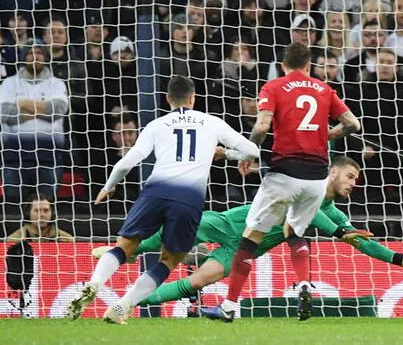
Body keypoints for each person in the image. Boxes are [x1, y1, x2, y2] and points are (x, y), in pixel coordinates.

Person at [91, 156, 403, 310]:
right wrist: (339, 232)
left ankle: (128, 303)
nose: (353, 184)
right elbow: (324, 220)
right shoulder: (310, 188)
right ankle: (124, 250)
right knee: (177, 235)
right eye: (350, 177)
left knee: (199, 281)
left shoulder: (334, 211)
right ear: (333, 173)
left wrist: (399, 258)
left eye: (356, 181)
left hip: (244, 250)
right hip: (234, 223)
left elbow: (355, 239)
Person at [65, 76, 259, 324]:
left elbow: (126, 162)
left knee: (124, 246)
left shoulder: (157, 124)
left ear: (167, 99)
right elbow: (253, 151)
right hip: (189, 199)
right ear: (193, 98)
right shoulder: (211, 122)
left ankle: (94, 283)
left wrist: (109, 186)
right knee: (168, 261)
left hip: (155, 191)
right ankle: (124, 305)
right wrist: (226, 154)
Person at [207, 42, 361, 323]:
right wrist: (327, 135)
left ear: (283, 65)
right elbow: (353, 124)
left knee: (250, 239)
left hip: (283, 174)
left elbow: (263, 126)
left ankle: (228, 306)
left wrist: (246, 153)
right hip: (316, 177)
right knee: (294, 232)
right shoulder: (325, 89)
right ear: (309, 66)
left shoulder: (274, 87)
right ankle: (303, 284)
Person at [0, 38, 69, 203]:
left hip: (49, 158)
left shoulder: (57, 84)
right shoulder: (9, 83)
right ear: (24, 57)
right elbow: (5, 113)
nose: (35, 56)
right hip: (14, 158)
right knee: (13, 209)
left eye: (39, 52)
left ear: (45, 56)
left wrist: (23, 104)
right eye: (30, 53)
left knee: (47, 208)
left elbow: (58, 110)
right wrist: (41, 110)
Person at [5, 193, 73, 243]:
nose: (42, 215)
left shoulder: (67, 240)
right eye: (37, 211)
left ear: (52, 213)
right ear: (28, 213)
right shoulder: (14, 240)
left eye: (46, 210)